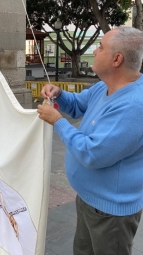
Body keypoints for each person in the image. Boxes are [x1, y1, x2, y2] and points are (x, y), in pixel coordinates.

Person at [37, 26, 143, 255]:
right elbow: (77, 105)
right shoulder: (106, 86)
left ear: (117, 59)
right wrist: (59, 94)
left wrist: (58, 122)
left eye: (101, 47)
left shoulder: (135, 106)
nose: (95, 51)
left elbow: (93, 153)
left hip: (111, 213)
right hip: (89, 200)